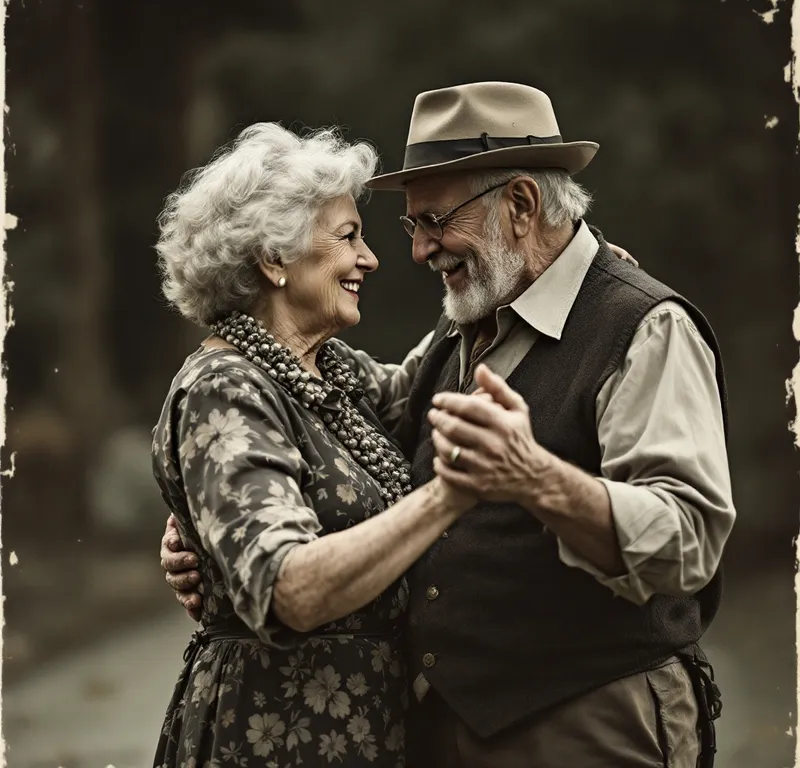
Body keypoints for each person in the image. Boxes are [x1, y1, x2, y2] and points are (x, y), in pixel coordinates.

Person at [160, 82, 734, 768]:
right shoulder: (458, 328)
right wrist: (204, 520)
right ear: (273, 261)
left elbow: (690, 538)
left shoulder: (640, 325)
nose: (413, 251)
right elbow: (273, 447)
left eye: (435, 221)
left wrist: (537, 475)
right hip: (408, 734)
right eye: (408, 227)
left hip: (591, 724)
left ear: (521, 206)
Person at [150, 122, 489, 768]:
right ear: (273, 259)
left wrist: (554, 279)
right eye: (348, 237)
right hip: (273, 738)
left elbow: (430, 375)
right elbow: (288, 588)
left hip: (363, 736)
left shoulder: (327, 370)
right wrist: (448, 498)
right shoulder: (223, 387)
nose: (370, 259)